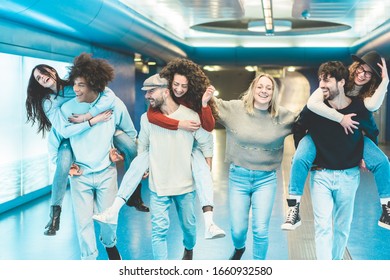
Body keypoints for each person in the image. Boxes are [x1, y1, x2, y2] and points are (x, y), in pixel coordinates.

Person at [93, 58, 225, 240]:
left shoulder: (195, 99)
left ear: (192, 85)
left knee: (202, 169)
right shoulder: (160, 102)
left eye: (184, 86)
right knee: (141, 160)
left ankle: (209, 222)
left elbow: (208, 127)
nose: (179, 89)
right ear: (169, 86)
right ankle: (113, 210)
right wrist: (180, 124)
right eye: (176, 84)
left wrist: (203, 105)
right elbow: (152, 118)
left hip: (192, 144)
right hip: (173, 139)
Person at [25, 63, 148, 236]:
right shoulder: (48, 101)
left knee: (130, 148)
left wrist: (89, 116)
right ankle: (54, 215)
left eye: (44, 72)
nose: (42, 77)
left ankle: (134, 195)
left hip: (99, 128)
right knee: (63, 165)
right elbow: (65, 130)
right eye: (38, 78)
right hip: (71, 137)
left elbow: (109, 95)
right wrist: (91, 121)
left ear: (52, 71)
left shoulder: (73, 84)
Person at [281, 51, 390, 231]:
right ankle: (294, 209)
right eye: (360, 69)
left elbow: (372, 111)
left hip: (351, 140)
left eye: (368, 73)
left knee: (382, 162)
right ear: (354, 69)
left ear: (372, 79)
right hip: (319, 134)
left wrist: (385, 81)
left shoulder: (364, 98)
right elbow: (311, 106)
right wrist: (341, 118)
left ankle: (386, 209)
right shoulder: (334, 81)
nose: (362, 74)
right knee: (299, 159)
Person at [205, 73, 298, 260]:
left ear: (273, 93)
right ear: (253, 89)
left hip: (266, 179)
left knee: (261, 229)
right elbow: (211, 105)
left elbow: (309, 122)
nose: (264, 91)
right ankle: (239, 247)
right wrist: (206, 96)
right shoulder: (235, 109)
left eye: (268, 88)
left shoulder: (283, 116)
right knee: (238, 230)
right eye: (260, 87)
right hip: (238, 177)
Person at [293, 61, 379, 259]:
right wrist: (305, 154)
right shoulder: (315, 107)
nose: (322, 85)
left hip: (349, 175)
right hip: (321, 175)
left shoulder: (358, 107)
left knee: (342, 228)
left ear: (341, 82)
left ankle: (336, 263)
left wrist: (367, 155)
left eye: (327, 80)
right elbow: (298, 127)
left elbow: (372, 131)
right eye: (320, 80)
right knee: (322, 227)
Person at [60, 53, 137, 260]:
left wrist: (119, 151)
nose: (76, 89)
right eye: (75, 83)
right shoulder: (67, 108)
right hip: (80, 176)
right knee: (83, 223)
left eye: (82, 85)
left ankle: (110, 244)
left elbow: (130, 134)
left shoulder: (114, 105)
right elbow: (59, 139)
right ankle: (89, 260)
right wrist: (65, 165)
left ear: (94, 84)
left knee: (109, 221)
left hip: (106, 173)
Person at [137, 73, 214, 259]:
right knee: (158, 232)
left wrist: (208, 161)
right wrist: (142, 165)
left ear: (165, 91)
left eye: (151, 91)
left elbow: (205, 140)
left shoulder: (190, 116)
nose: (147, 96)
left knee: (189, 228)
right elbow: (143, 143)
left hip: (185, 186)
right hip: (158, 186)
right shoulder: (146, 118)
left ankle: (189, 248)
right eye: (146, 92)